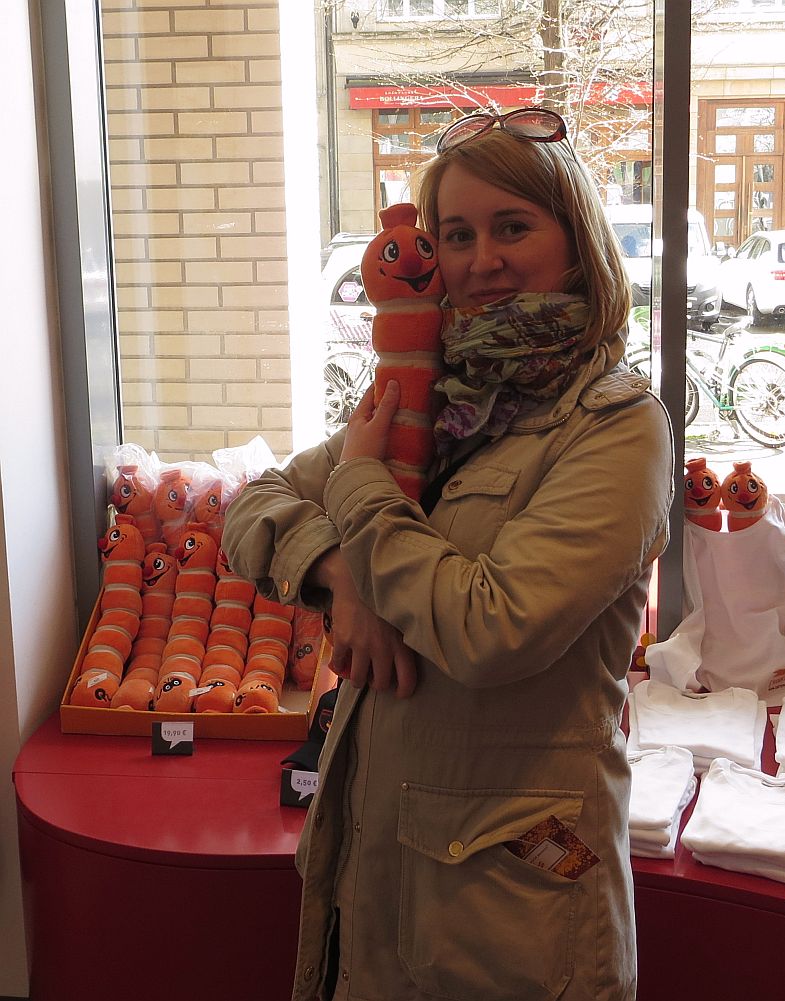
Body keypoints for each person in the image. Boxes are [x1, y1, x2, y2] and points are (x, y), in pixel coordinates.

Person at [222, 106, 674, 1001]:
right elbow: (252, 503)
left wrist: (357, 493)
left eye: (513, 226)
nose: (482, 259)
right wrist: (340, 576)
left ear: (576, 241)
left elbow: (492, 625)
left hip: (512, 912)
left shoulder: (616, 426)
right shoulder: (433, 398)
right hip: (376, 876)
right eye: (456, 234)